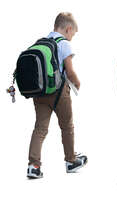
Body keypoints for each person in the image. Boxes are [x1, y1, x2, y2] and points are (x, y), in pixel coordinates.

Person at [27, 12, 87, 179]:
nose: (72, 37)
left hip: (39, 92)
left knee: (40, 128)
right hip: (59, 92)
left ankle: (33, 166)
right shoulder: (64, 44)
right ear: (68, 29)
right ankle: (71, 161)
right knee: (67, 126)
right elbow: (70, 70)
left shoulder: (41, 42)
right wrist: (77, 83)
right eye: (73, 34)